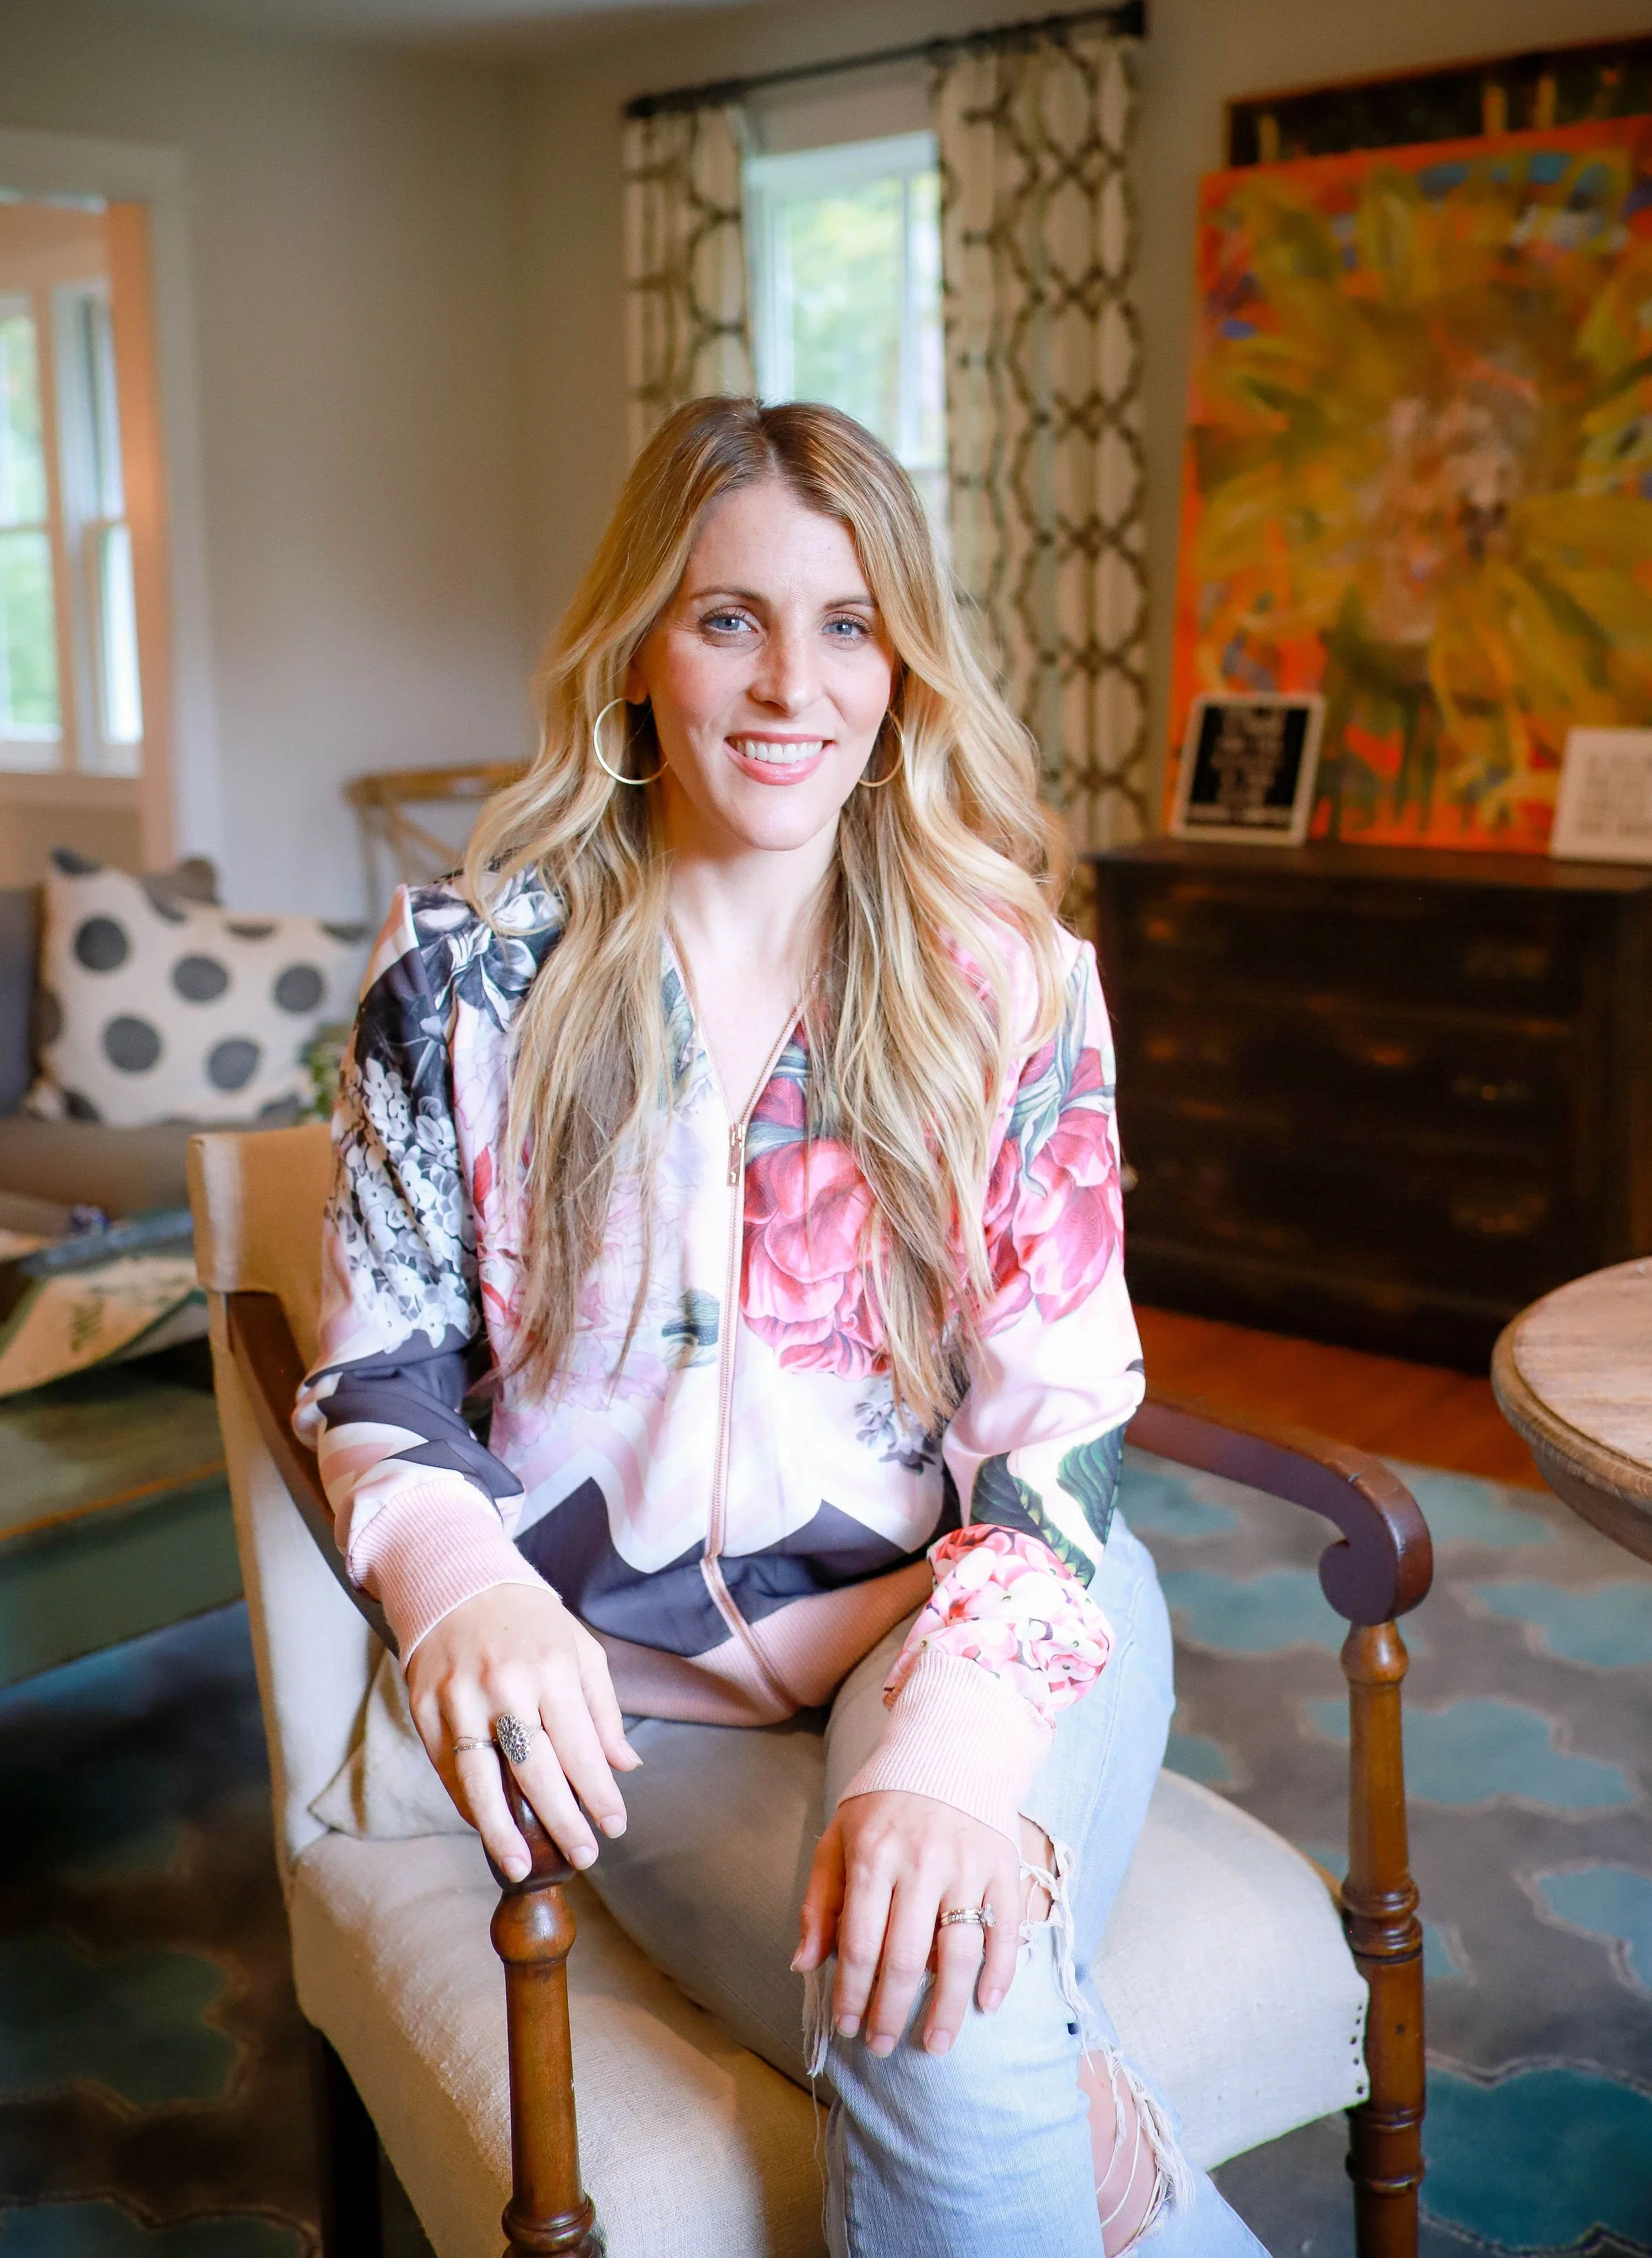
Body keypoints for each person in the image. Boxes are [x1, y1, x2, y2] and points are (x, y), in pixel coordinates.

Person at [299, 397, 1268, 2257]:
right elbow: (379, 1359)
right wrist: (467, 1588)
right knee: (954, 2018)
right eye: (728, 616)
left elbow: (1056, 1426)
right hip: (637, 1708)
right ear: (640, 643)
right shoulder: (465, 973)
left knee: (938, 1966)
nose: (788, 685)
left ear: (903, 662)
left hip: (976, 1613)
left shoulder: (1011, 977)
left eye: (846, 624)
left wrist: (945, 1766)